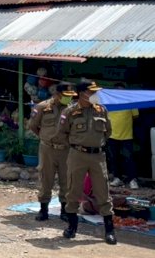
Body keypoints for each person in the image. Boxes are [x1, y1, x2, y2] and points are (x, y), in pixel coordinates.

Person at [56, 81, 117, 245]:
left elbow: (108, 131)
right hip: (77, 155)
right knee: (73, 191)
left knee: (103, 191)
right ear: (82, 93)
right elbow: (62, 133)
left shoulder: (101, 110)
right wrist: (77, 145)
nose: (95, 95)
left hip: (98, 156)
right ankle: (71, 227)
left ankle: (109, 231)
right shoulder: (70, 111)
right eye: (92, 92)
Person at [27, 82, 72, 222]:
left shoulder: (72, 109)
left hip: (66, 149)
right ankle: (43, 210)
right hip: (47, 149)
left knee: (67, 180)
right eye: (66, 95)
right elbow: (33, 126)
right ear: (57, 94)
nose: (68, 98)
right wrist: (44, 137)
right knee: (46, 179)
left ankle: (65, 210)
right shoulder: (42, 107)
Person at [106, 82, 139, 190]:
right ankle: (117, 178)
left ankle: (132, 179)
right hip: (112, 135)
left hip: (126, 135)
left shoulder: (131, 101)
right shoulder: (109, 102)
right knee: (113, 158)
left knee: (128, 158)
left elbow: (135, 116)